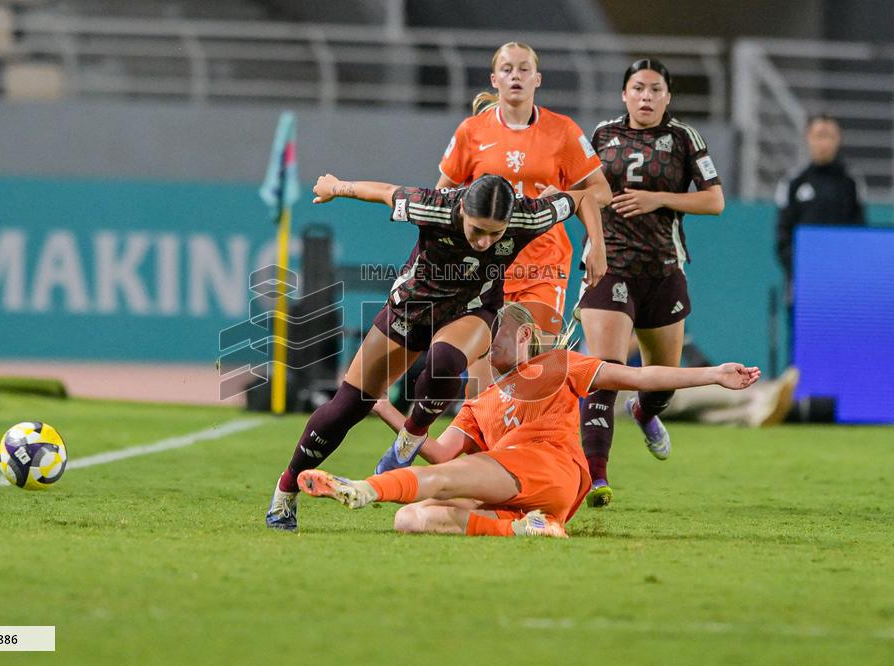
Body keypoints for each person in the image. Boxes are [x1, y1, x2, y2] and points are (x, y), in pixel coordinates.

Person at [265, 173, 602, 530]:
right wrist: (336, 188)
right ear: (462, 213)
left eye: (496, 233)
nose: (485, 241)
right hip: (412, 308)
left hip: (473, 308)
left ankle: (411, 435)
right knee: (347, 406)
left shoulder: (527, 214)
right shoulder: (433, 206)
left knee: (446, 360)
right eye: (477, 230)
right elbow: (384, 191)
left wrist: (597, 246)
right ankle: (285, 490)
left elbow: (582, 198)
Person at [297, 302, 760, 538]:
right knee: (412, 519)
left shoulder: (558, 364)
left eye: (488, 336)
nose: (480, 346)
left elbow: (638, 374)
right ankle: (526, 528)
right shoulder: (481, 401)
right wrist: (380, 405)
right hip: (527, 494)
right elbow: (438, 450)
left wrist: (714, 374)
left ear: (521, 335)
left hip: (552, 467)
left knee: (444, 479)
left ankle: (360, 489)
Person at [576, 58, 725, 508]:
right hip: (611, 267)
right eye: (638, 88)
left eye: (655, 89)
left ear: (667, 97)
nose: (646, 96)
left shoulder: (684, 138)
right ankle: (596, 477)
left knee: (661, 383)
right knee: (604, 370)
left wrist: (656, 199)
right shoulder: (600, 135)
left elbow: (715, 201)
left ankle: (644, 411)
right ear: (624, 94)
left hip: (662, 270)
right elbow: (579, 188)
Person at [436, 41, 611, 389]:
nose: (515, 75)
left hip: (543, 267)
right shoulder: (471, 132)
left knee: (529, 373)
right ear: (494, 79)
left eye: (523, 69)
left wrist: (565, 198)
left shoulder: (563, 131)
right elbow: (442, 195)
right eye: (507, 69)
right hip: (486, 267)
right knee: (480, 388)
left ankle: (529, 440)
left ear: (538, 79)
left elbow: (602, 192)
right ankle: (477, 444)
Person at [775, 114, 866, 363]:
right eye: (818, 136)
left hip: (842, 284)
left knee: (844, 346)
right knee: (802, 348)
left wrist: (844, 273)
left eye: (829, 136)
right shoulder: (794, 183)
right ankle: (799, 400)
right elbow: (782, 237)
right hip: (803, 284)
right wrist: (804, 270)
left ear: (838, 140)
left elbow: (860, 234)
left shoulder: (850, 183)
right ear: (808, 138)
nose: (823, 142)